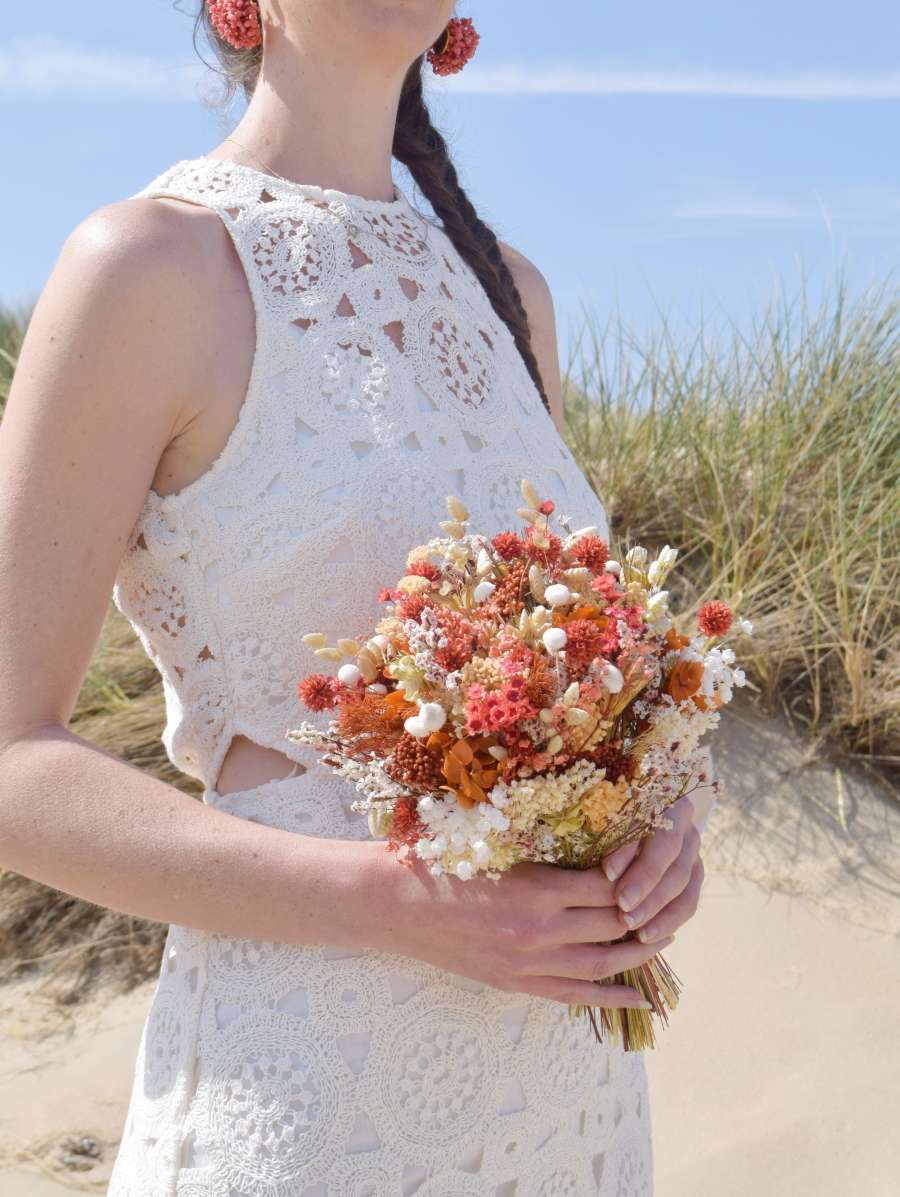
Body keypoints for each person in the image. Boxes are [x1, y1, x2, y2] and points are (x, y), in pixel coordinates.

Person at [0, 3, 714, 1193]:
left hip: (568, 1103)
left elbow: (582, 675)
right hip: (310, 1096)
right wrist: (400, 903)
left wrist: (658, 820)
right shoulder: (148, 266)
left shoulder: (510, 295)